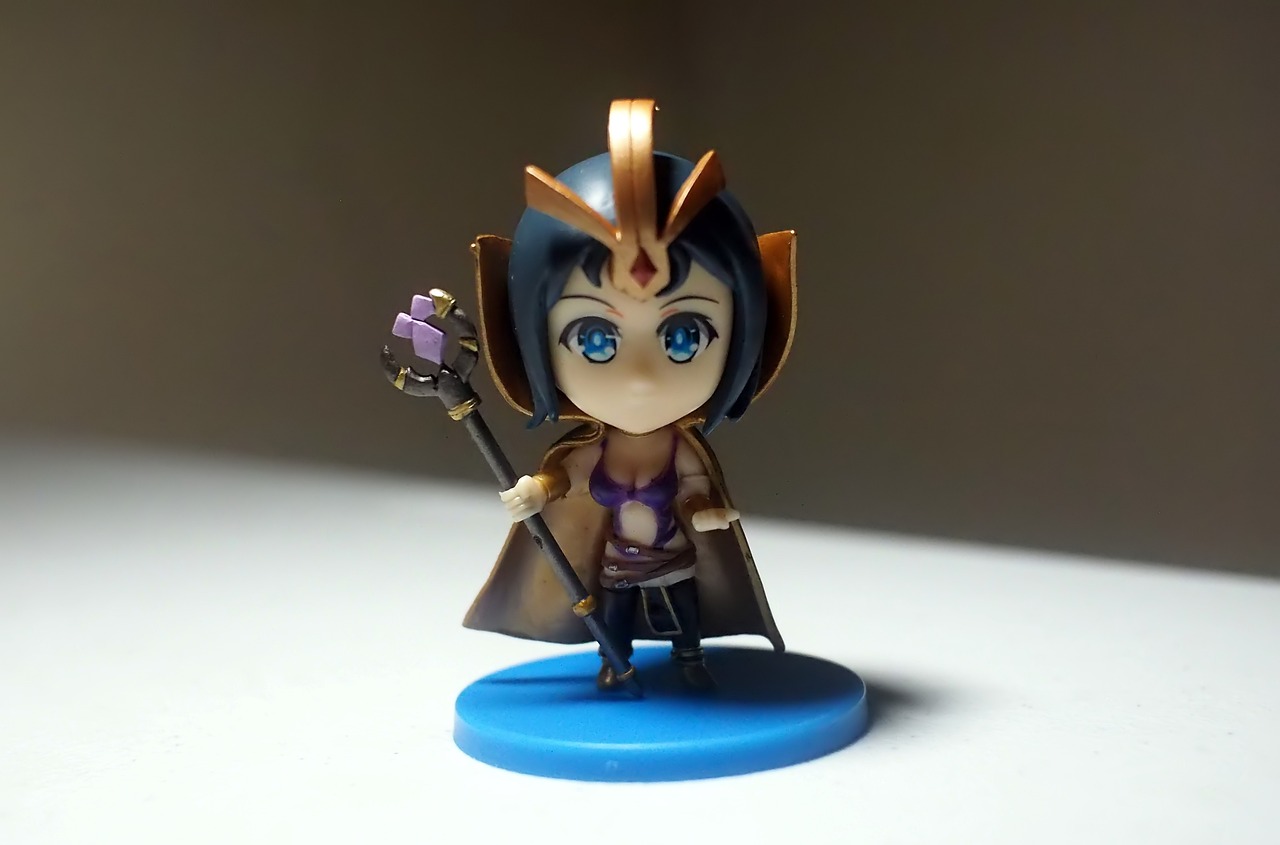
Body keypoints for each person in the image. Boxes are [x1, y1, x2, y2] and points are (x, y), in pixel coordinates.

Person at [463, 99, 796, 691]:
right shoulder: (592, 453)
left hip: (675, 561)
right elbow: (561, 480)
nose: (641, 378)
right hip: (616, 566)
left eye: (684, 336)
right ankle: (614, 665)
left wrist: (708, 512)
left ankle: (689, 660)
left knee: (686, 618)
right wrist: (535, 490)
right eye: (594, 339)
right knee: (612, 622)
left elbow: (694, 496)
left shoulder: (681, 454)